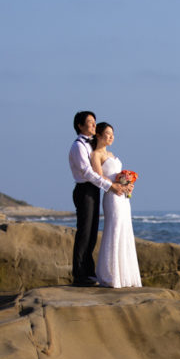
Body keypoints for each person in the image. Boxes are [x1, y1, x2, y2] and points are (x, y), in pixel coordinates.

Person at [68, 111, 129, 286]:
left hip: (94, 190)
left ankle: (88, 271)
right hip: (84, 189)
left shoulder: (91, 146)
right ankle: (79, 275)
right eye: (90, 122)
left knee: (92, 233)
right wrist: (109, 186)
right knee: (84, 232)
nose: (94, 125)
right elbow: (87, 173)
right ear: (80, 126)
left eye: (94, 122)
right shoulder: (78, 146)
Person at [90, 122, 141, 288]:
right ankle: (111, 275)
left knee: (125, 230)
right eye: (107, 133)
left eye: (112, 134)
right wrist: (115, 185)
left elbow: (118, 175)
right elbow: (98, 176)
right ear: (98, 135)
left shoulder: (111, 153)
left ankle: (125, 275)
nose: (111, 137)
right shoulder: (96, 154)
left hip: (123, 197)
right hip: (111, 196)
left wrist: (127, 184)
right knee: (115, 229)